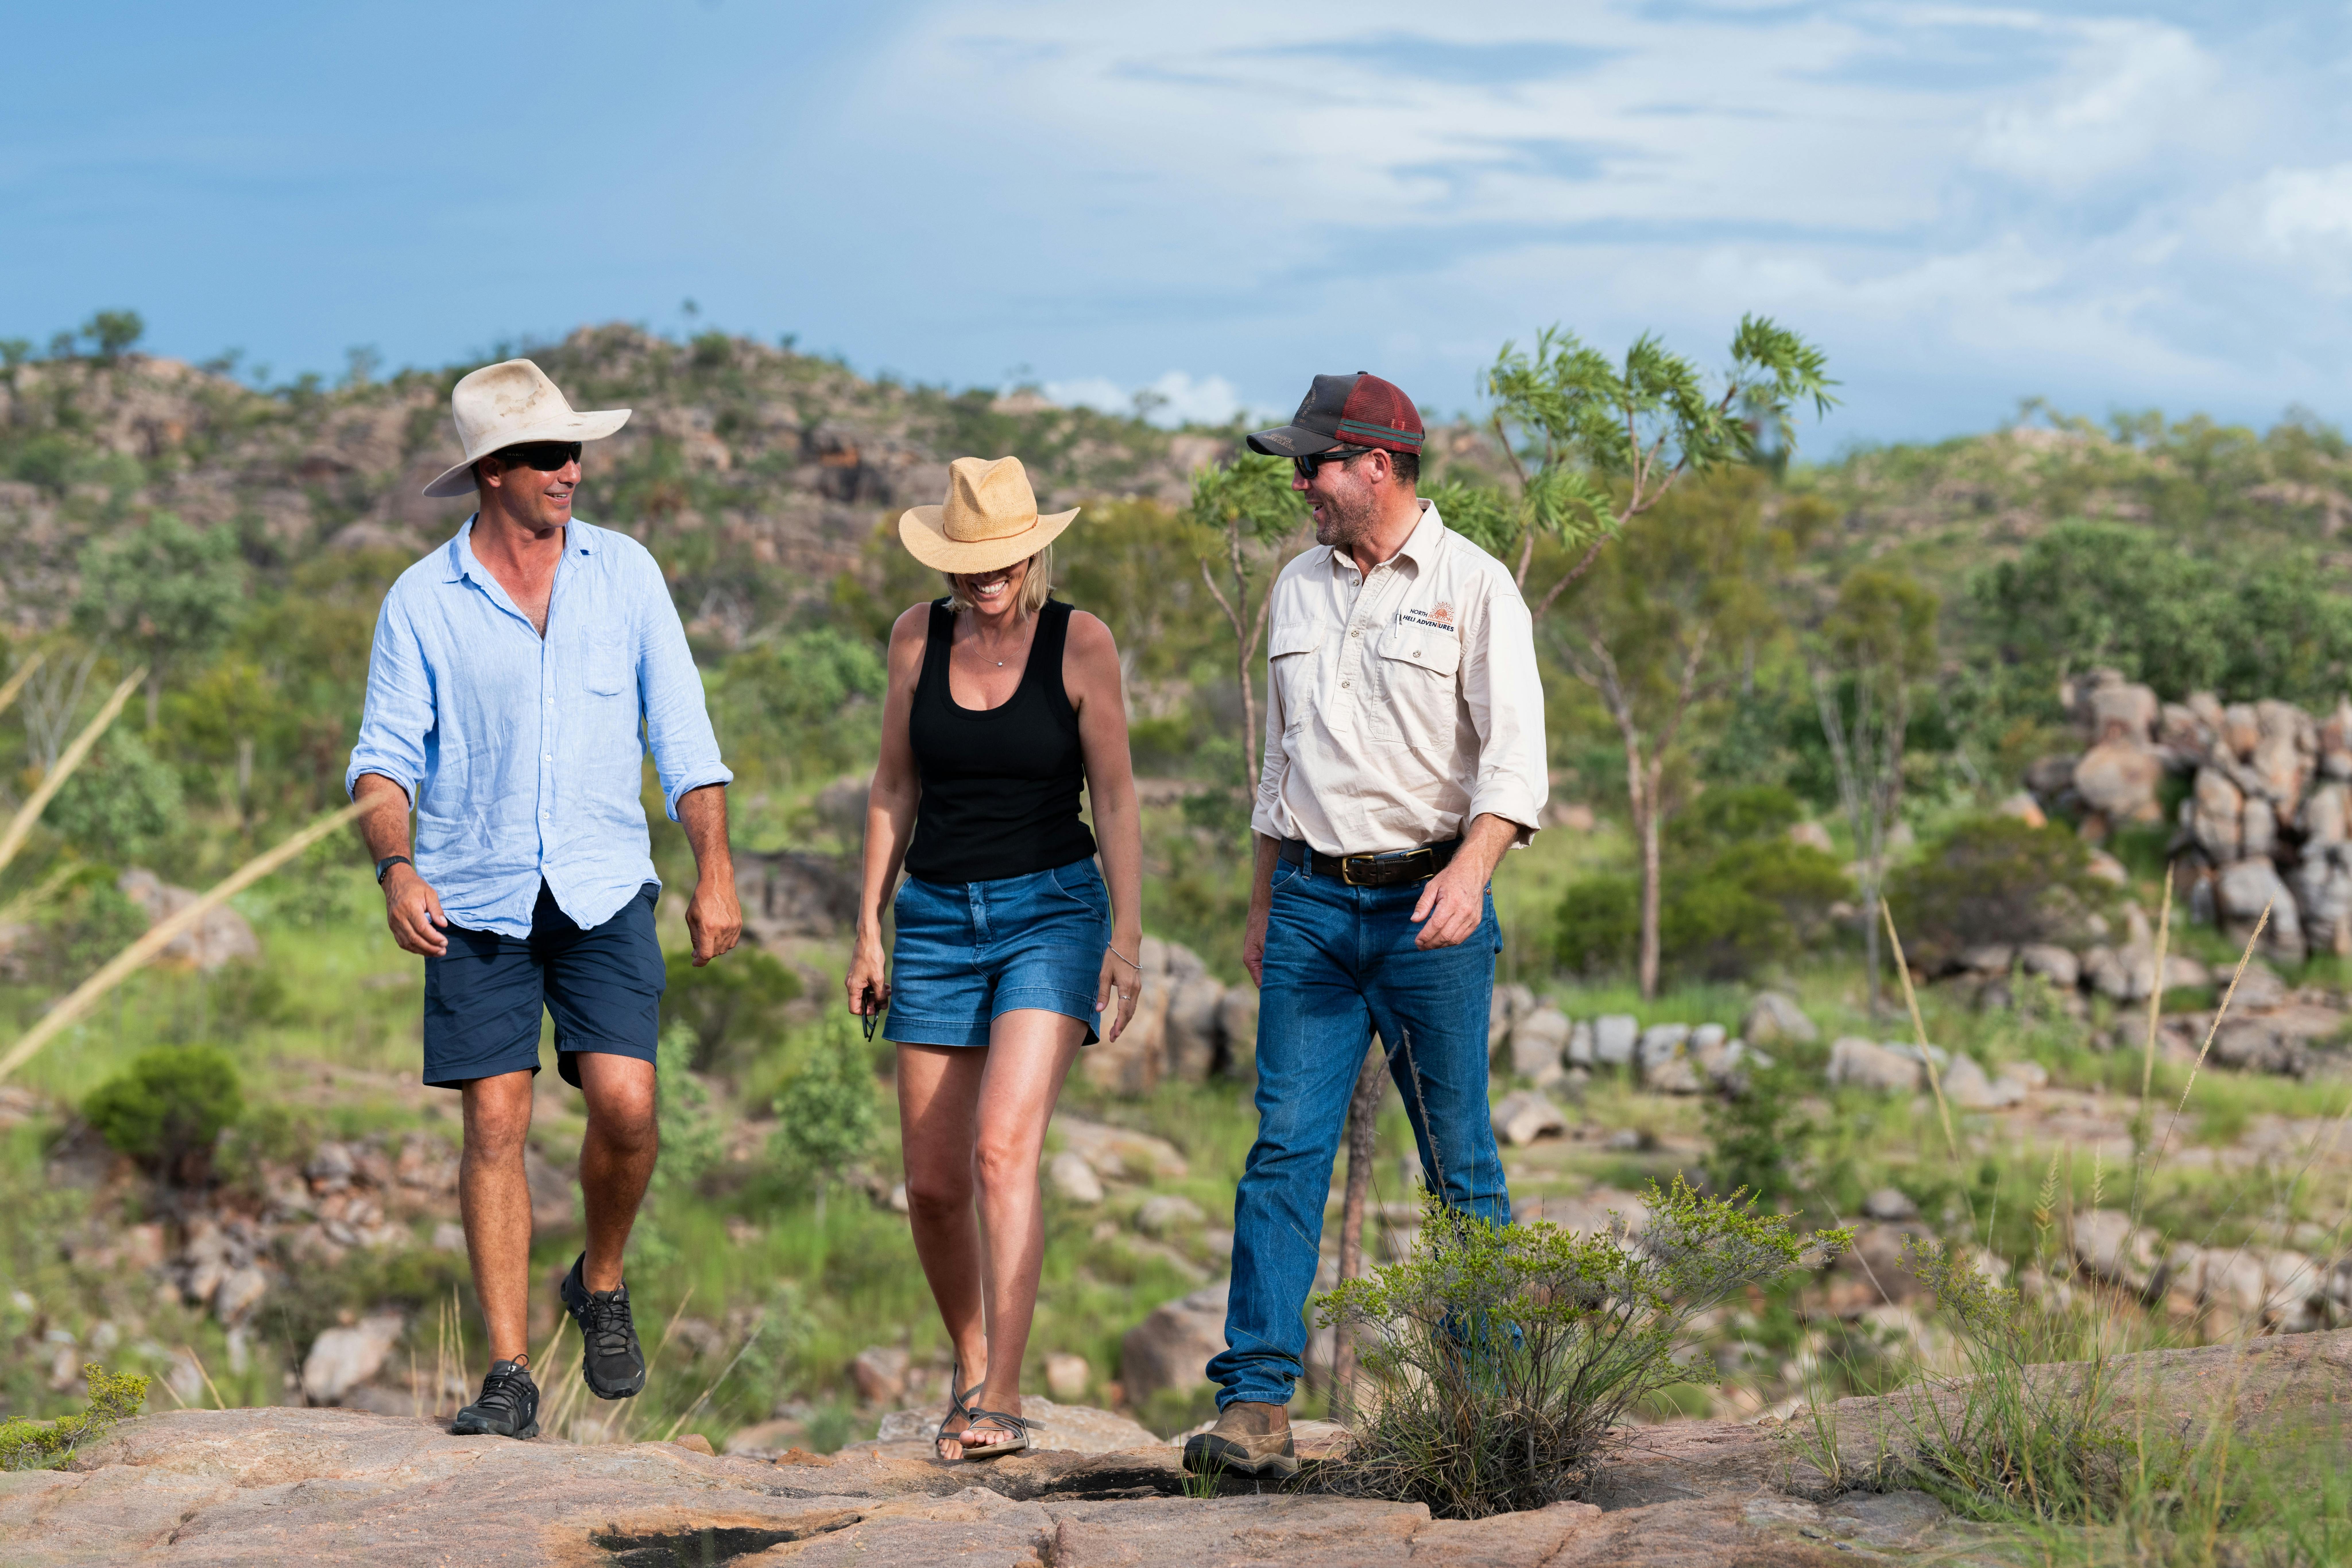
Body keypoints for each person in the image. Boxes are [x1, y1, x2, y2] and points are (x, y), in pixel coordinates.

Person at [346, 358, 742, 1441]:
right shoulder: (422, 601)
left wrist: (714, 869)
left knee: (627, 1105)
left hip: (606, 881)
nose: (570, 469)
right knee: (496, 1123)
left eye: (575, 450)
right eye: (544, 454)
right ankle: (510, 1376)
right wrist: (399, 867)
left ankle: (600, 1281)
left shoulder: (628, 575)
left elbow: (687, 737)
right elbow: (383, 764)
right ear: (489, 472)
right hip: (474, 896)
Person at [1183, 373, 1548, 1478]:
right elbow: (1276, 763)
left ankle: (1488, 1413)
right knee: (1284, 1150)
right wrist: (1261, 904)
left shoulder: (1477, 587)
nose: (1300, 484)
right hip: (1307, 906)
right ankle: (1254, 1408)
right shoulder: (1297, 587)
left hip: (1429, 910)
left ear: (1375, 467)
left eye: (1315, 465)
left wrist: (1474, 872)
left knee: (1460, 1165)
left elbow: (1516, 761)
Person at [845, 455, 1143, 1461]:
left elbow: (1119, 798)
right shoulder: (915, 639)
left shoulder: (1081, 643)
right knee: (932, 1183)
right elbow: (893, 786)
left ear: (1034, 551)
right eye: (969, 557)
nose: (988, 574)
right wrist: (867, 925)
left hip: (1051, 914)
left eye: (1005, 556)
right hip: (932, 920)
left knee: (1001, 1150)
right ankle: (970, 1364)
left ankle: (1004, 1398)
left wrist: (1128, 944)